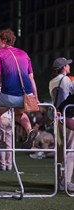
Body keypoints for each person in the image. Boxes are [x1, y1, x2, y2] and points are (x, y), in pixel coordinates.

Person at [0, 28, 39, 150]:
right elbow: (31, 78)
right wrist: (35, 97)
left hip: (9, 96)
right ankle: (29, 130)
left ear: (5, 41)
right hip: (26, 95)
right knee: (19, 113)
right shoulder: (24, 54)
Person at [49, 57, 74, 191]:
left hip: (56, 117)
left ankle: (59, 181)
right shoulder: (66, 80)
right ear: (63, 67)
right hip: (68, 116)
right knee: (70, 150)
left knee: (59, 151)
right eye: (67, 65)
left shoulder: (52, 81)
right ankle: (67, 182)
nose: (69, 67)